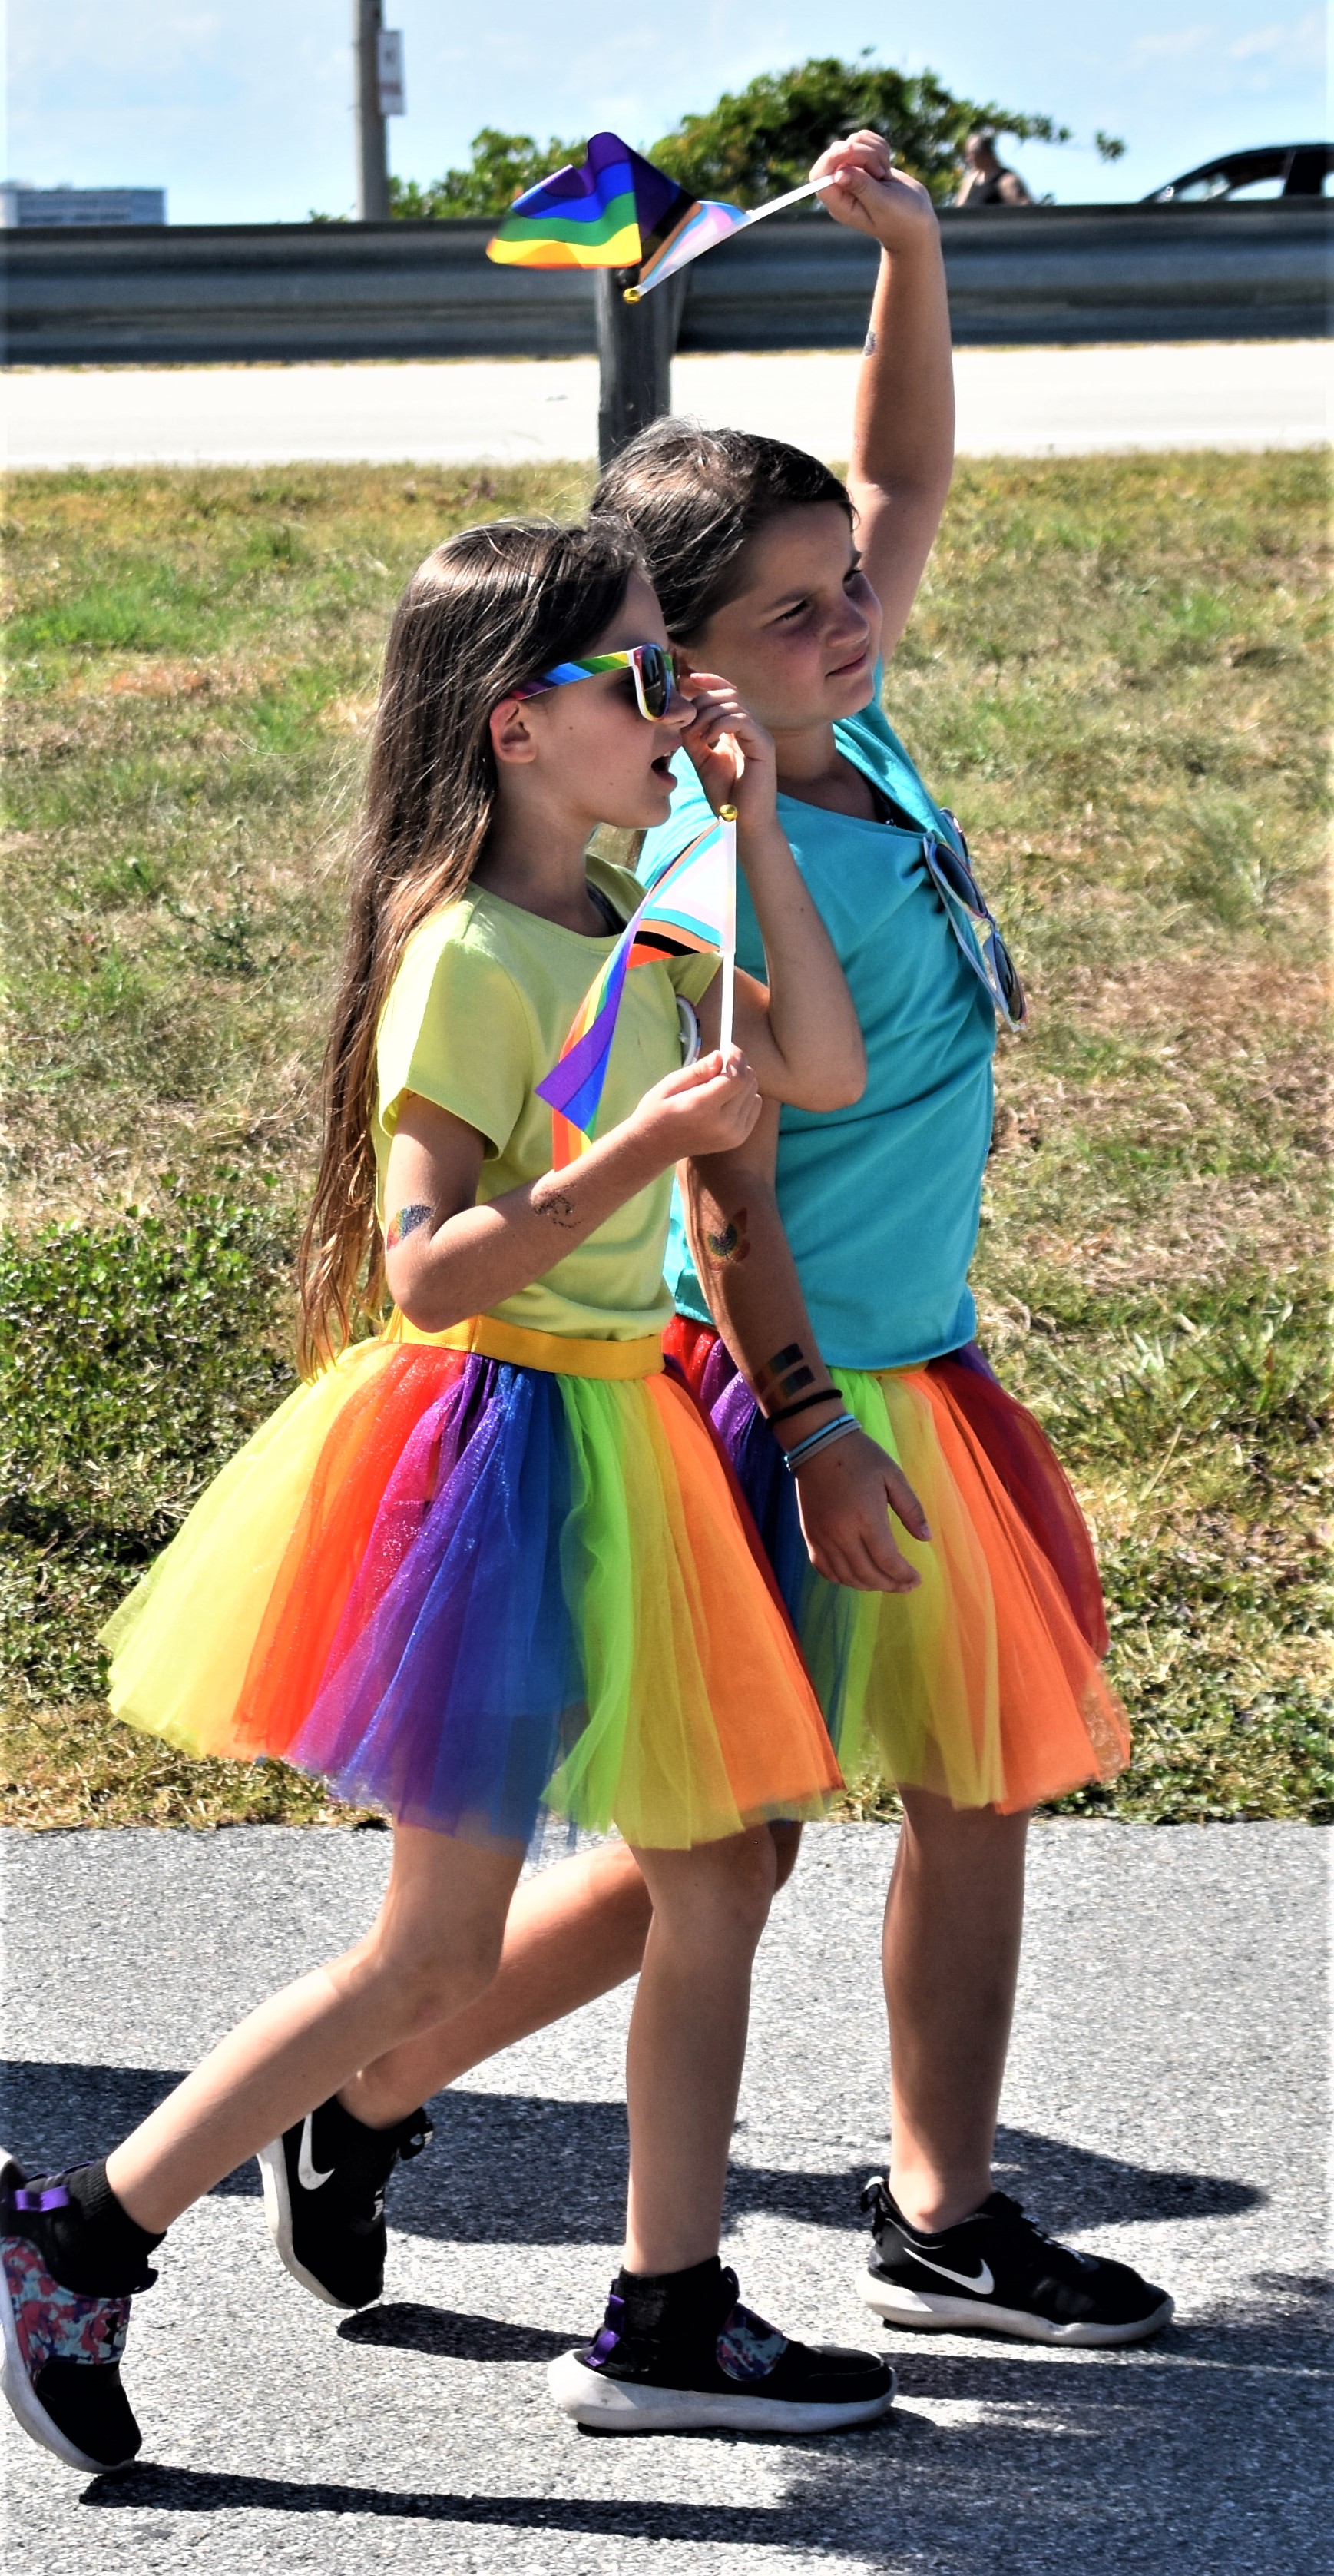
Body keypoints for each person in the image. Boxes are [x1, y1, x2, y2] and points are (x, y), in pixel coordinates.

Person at [254, 132, 1171, 2358]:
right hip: (776, 1387)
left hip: (914, 1358)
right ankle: (366, 2093)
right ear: (689, 681)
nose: (855, 618)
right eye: (795, 611)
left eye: (850, 589)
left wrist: (911, 258)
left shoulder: (848, 732)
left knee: (972, 1781)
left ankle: (941, 2205)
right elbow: (696, 1170)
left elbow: (902, 475)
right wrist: (801, 1410)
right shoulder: (695, 879)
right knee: (728, 1851)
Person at [0, 514, 901, 2476]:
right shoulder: (473, 959)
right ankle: (82, 2230)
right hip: (493, 1450)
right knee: (432, 1951)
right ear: (517, 725)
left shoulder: (644, 923)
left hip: (627, 1438)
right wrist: (627, 1154)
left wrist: (752, 826)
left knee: (720, 1869)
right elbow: (424, 1268)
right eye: (643, 676)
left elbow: (814, 1078)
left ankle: (668, 2304)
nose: (682, 703)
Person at [954, 130, 1034, 207]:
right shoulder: (970, 180)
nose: (969, 158)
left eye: (972, 153)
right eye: (967, 154)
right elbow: (959, 209)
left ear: (986, 153)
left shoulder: (1007, 180)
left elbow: (1025, 209)